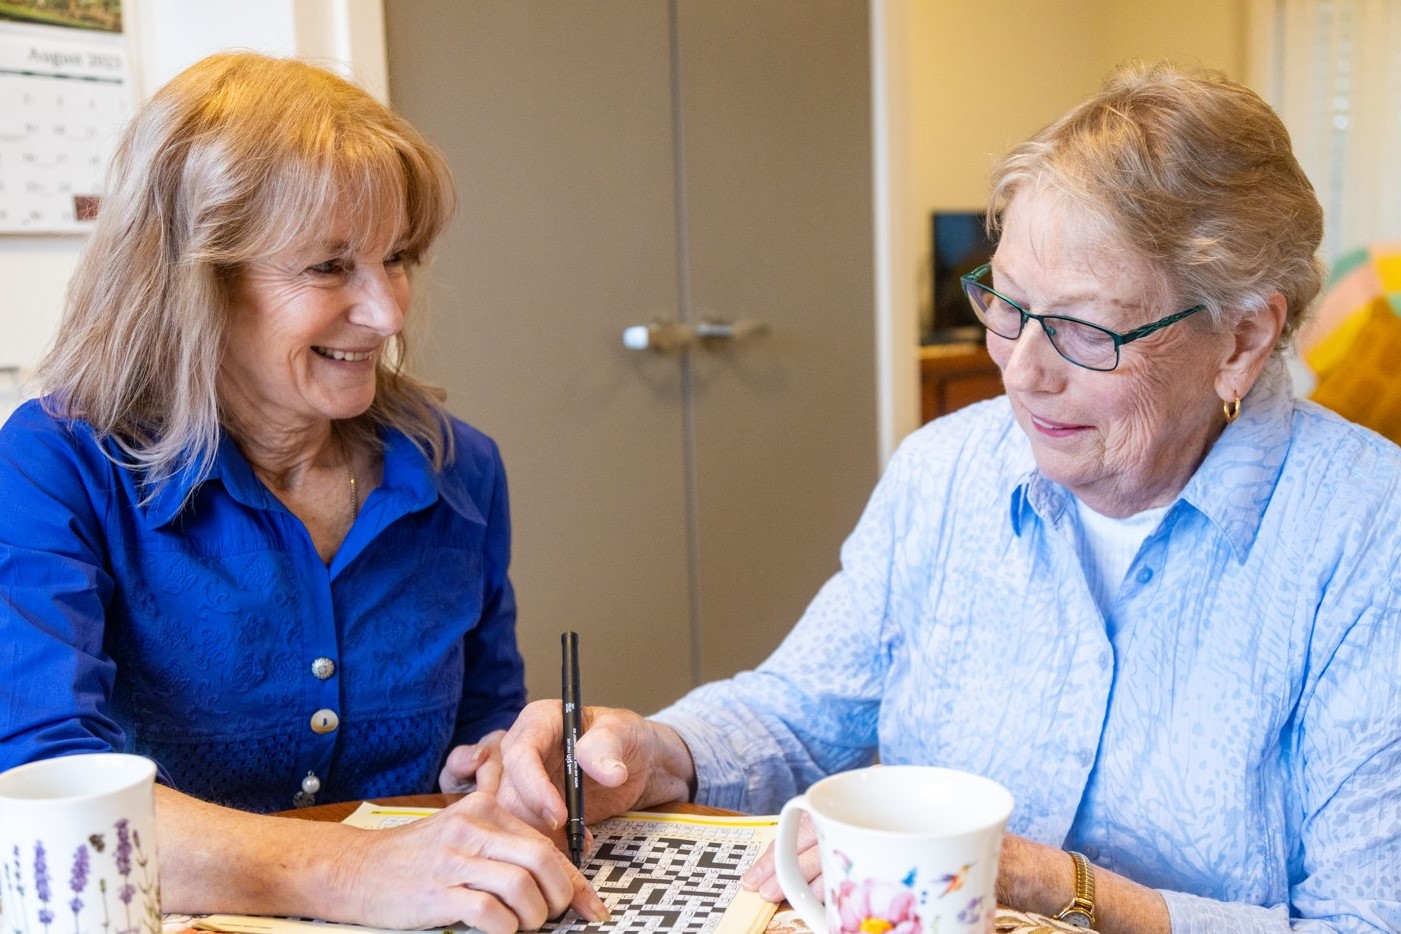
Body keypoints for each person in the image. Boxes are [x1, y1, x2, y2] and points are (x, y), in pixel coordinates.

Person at [486, 62, 1401, 933]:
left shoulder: (1365, 534)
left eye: (1082, 329)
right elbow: (802, 711)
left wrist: (1057, 887)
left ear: (1242, 336)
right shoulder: (947, 471)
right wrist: (653, 751)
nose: (1021, 373)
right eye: (1005, 306)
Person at [0, 52, 606, 934]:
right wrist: (353, 873)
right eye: (329, 267)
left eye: (396, 257)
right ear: (192, 285)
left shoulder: (456, 470)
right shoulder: (55, 465)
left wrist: (504, 772)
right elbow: (49, 794)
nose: (389, 312)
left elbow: (484, 728)